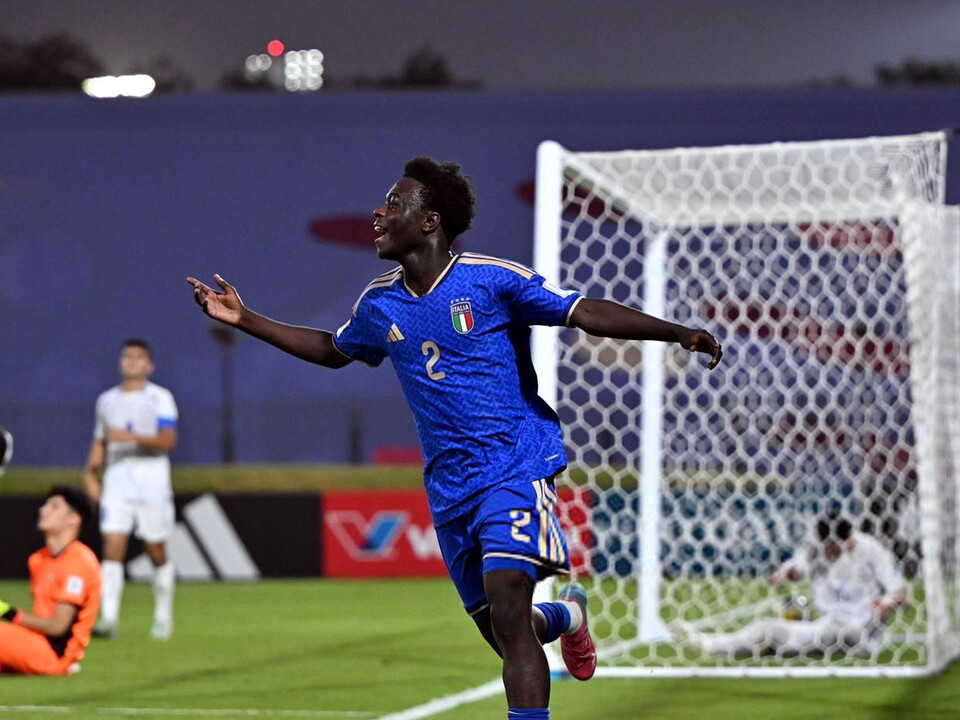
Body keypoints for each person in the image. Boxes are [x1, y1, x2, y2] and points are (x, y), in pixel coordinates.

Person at [188, 157, 722, 720]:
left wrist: (677, 332)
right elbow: (332, 351)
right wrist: (246, 320)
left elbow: (581, 310)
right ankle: (567, 618)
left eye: (394, 203)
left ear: (429, 222)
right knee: (506, 629)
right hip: (449, 489)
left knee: (512, 610)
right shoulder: (379, 303)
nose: (378, 212)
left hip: (514, 465)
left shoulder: (491, 280)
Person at [672, 512, 908, 658]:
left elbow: (900, 593)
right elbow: (794, 570)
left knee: (829, 632)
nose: (831, 550)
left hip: (861, 631)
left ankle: (771, 645)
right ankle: (713, 646)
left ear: (847, 539)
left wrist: (886, 604)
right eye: (827, 544)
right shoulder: (817, 552)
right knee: (774, 625)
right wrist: (784, 574)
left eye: (836, 544)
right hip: (827, 624)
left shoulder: (870, 549)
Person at [83, 339, 178, 640]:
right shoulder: (106, 400)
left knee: (155, 549)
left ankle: (163, 616)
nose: (131, 362)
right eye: (127, 356)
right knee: (112, 547)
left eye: (139, 358)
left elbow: (167, 440)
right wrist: (89, 475)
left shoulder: (160, 398)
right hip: (117, 483)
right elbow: (100, 440)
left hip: (152, 484)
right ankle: (109, 618)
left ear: (149, 366)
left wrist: (131, 436)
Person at [0, 485, 101, 675]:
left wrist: (7, 612)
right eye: (46, 505)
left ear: (73, 519)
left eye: (54, 506)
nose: (43, 510)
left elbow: (57, 626)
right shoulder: (39, 559)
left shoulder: (79, 562)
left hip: (54, 654)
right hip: (35, 642)